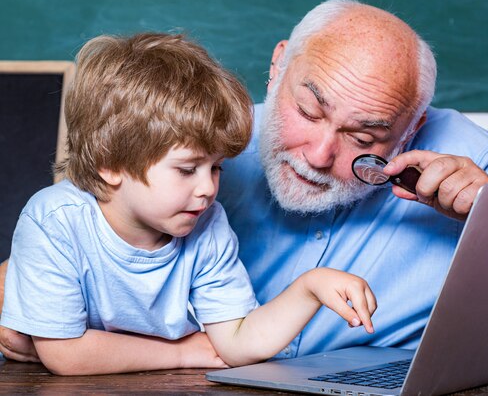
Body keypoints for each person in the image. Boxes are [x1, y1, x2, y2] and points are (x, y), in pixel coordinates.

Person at [1, 0, 488, 364]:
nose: (320, 153)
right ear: (278, 67)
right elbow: (68, 249)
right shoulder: (204, 143)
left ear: (412, 129)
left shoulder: (481, 175)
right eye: (310, 108)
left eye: (365, 136)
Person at [0, 32, 377, 375]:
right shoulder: (54, 220)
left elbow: (236, 342)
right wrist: (181, 352)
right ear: (110, 163)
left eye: (215, 169)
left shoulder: (208, 224)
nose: (207, 189)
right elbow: (65, 354)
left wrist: (308, 289)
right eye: (186, 170)